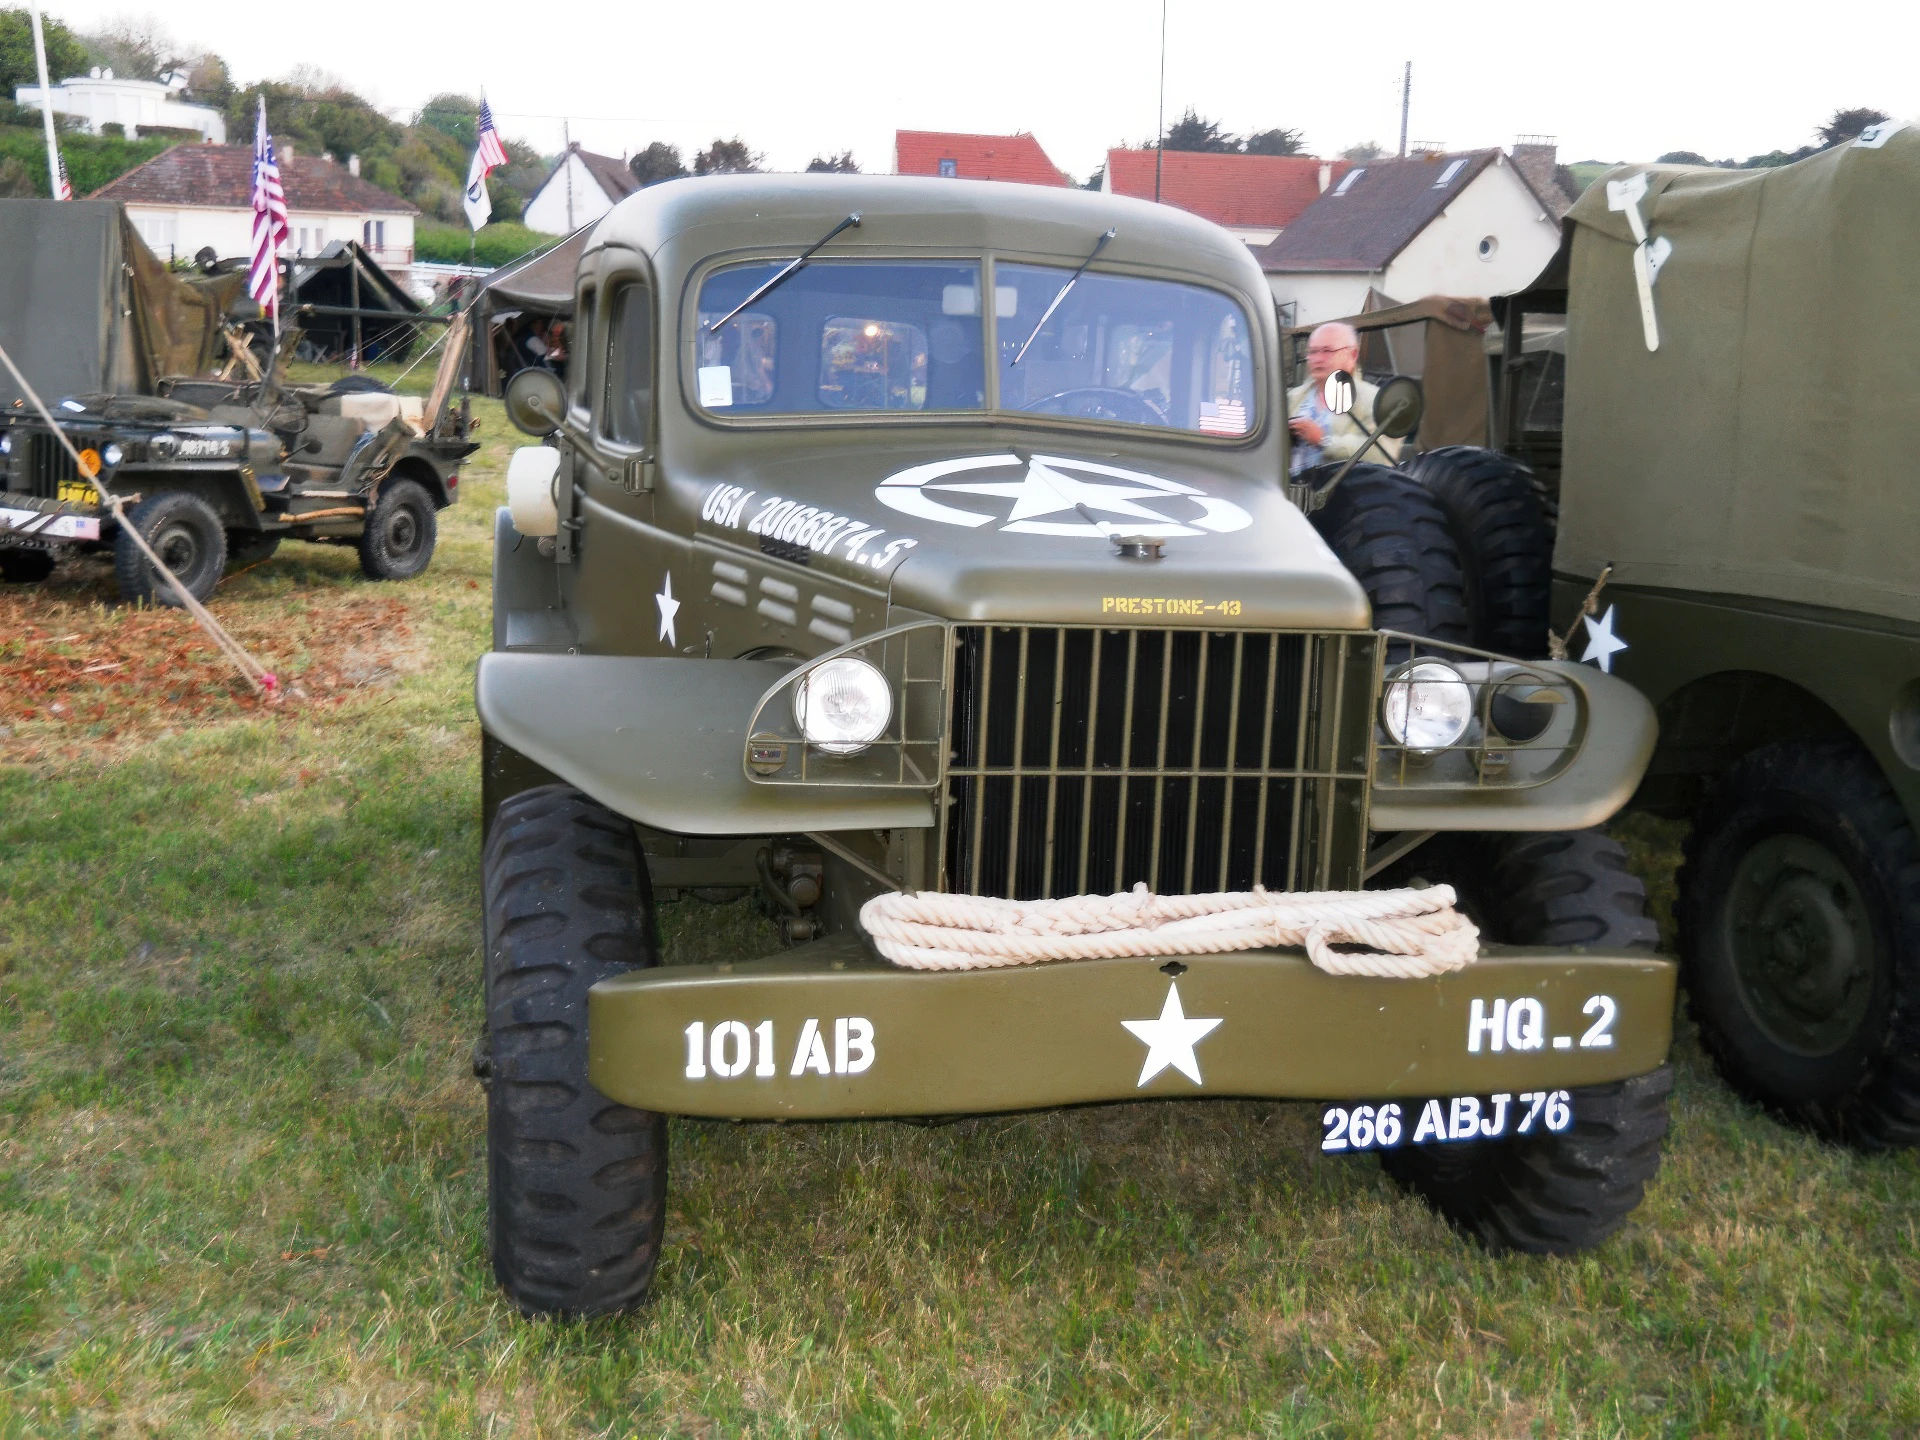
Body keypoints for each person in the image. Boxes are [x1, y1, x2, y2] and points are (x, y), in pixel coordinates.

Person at [1287, 321, 1401, 476]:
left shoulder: (1375, 400)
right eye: (1313, 352)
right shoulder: (1293, 398)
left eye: (1327, 351)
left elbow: (1382, 455)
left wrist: (1323, 440)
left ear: (1352, 355)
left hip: (1342, 490)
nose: (1317, 359)